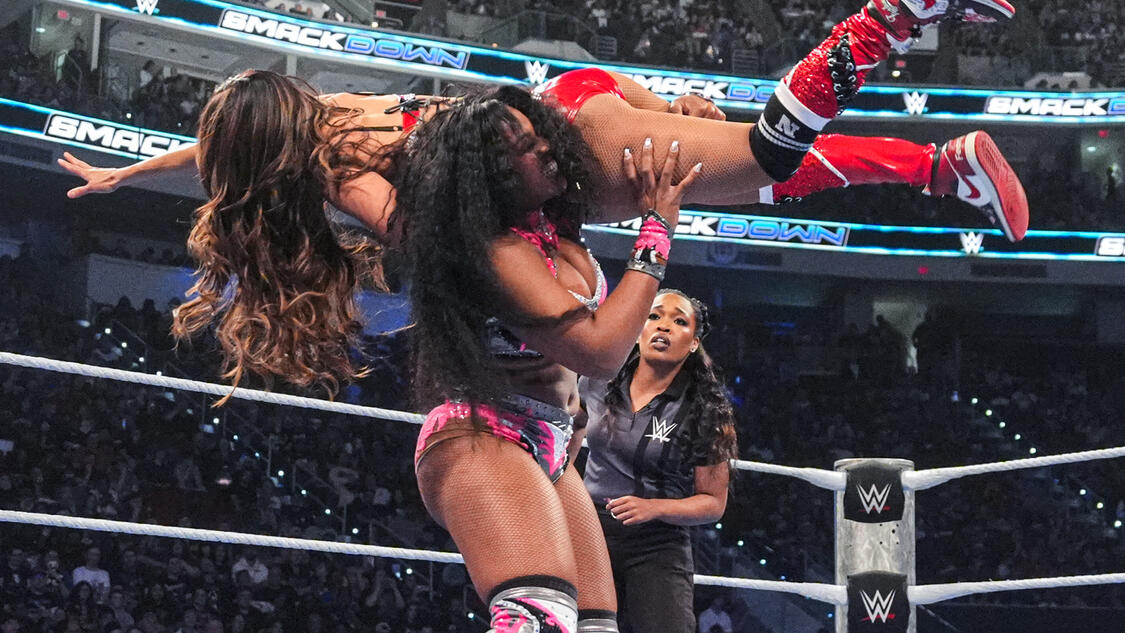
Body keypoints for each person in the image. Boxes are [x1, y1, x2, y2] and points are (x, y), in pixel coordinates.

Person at [59, 2, 1027, 242]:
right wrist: (128, 171)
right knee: (752, 175)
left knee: (764, 155)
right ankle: (940, 169)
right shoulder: (324, 113)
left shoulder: (333, 171)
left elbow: (427, 238)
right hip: (561, 104)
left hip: (555, 157)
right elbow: (220, 145)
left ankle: (892, 18)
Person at [390, 83, 702, 631]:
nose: (547, 149)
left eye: (541, 136)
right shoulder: (497, 251)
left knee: (593, 626)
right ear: (492, 175)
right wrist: (657, 231)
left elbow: (597, 92)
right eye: (526, 148)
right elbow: (602, 353)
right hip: (485, 434)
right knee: (539, 617)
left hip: (550, 443)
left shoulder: (554, 225)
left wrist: (676, 111)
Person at [573, 290, 736, 633]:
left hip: (657, 541)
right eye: (654, 316)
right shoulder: (599, 379)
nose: (664, 326)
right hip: (590, 530)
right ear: (638, 330)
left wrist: (654, 508)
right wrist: (564, 494)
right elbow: (571, 434)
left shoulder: (704, 410)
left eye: (679, 321)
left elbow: (713, 503)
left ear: (693, 343)